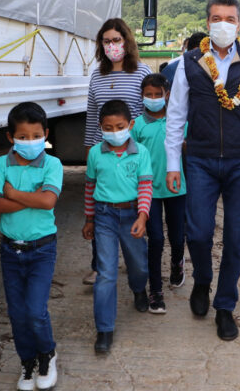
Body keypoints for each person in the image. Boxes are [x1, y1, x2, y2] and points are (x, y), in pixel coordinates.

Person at [165, 0, 240, 341]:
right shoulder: (189, 62)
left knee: (235, 238)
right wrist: (173, 163)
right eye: (217, 18)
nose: (223, 24)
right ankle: (202, 279)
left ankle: (225, 304)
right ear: (208, 23)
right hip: (199, 159)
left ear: (239, 24)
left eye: (230, 18)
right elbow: (175, 116)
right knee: (198, 232)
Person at [0, 102, 63, 391]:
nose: (30, 142)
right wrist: (31, 196)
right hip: (11, 251)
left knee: (35, 310)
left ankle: (47, 353)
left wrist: (14, 194)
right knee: (17, 313)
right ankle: (27, 361)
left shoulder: (52, 164)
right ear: (10, 137)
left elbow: (48, 201)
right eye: (23, 136)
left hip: (42, 250)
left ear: (45, 134)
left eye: (35, 135)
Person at [83, 19, 152, 285]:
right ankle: (98, 265)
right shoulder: (97, 76)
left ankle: (139, 272)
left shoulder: (142, 72)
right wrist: (90, 148)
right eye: (106, 41)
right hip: (104, 153)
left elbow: (146, 115)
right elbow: (92, 117)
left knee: (136, 208)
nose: (112, 45)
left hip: (133, 155)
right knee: (100, 208)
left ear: (127, 41)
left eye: (116, 40)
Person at [82, 99, 152, 354]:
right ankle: (104, 329)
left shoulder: (141, 153)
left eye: (119, 126)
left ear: (130, 125)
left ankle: (138, 289)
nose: (114, 132)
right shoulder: (94, 154)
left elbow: (145, 186)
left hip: (132, 214)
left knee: (138, 264)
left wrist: (143, 216)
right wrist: (89, 219)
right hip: (104, 217)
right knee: (106, 272)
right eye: (108, 128)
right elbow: (90, 187)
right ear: (100, 127)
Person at [131, 74, 187, 314]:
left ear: (167, 94)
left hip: (177, 188)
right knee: (155, 240)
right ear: (142, 96)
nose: (153, 99)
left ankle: (177, 263)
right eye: (148, 95)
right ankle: (155, 290)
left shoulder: (178, 121)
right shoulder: (137, 125)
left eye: (158, 94)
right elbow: (132, 158)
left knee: (177, 237)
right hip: (148, 191)